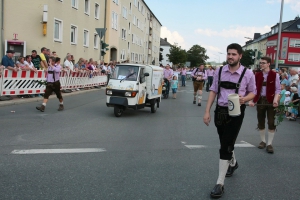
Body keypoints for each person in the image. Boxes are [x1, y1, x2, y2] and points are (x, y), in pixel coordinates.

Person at [203, 43, 256, 198]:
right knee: (224, 142)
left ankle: (219, 183)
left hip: (236, 112)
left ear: (240, 56)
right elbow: (213, 91)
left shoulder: (248, 73)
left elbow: (253, 92)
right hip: (220, 110)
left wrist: (245, 98)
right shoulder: (220, 71)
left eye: (234, 54)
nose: (230, 57)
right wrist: (207, 111)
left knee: (226, 145)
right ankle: (233, 163)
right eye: (229, 54)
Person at [249, 57, 280, 154]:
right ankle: (263, 141)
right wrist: (251, 100)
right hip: (260, 100)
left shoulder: (275, 75)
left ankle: (269, 144)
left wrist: (275, 100)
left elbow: (278, 90)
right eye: (260, 63)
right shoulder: (257, 75)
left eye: (263, 63)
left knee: (271, 122)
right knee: (261, 121)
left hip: (270, 101)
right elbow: (252, 89)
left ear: (268, 64)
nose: (261, 64)